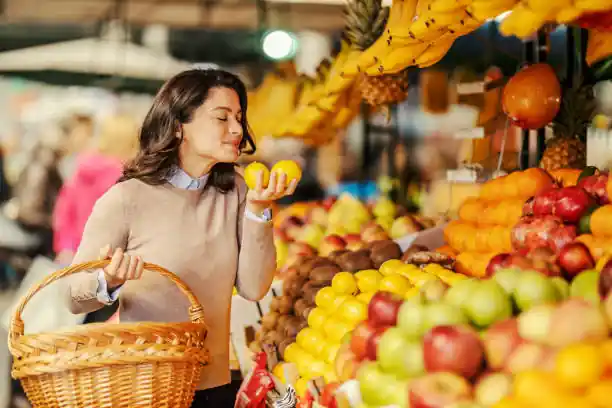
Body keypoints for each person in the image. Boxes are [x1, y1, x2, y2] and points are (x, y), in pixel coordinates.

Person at [66, 69, 296, 407]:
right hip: (146, 390)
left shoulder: (237, 190)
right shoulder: (127, 198)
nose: (236, 129)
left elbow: (253, 286)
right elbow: (72, 296)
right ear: (179, 126)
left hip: (215, 386)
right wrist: (108, 280)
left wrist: (259, 211)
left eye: (239, 118)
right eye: (222, 118)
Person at [53, 114, 138, 265]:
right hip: (107, 260)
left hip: (74, 254)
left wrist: (67, 247)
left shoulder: (82, 169)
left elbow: (63, 212)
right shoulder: (125, 179)